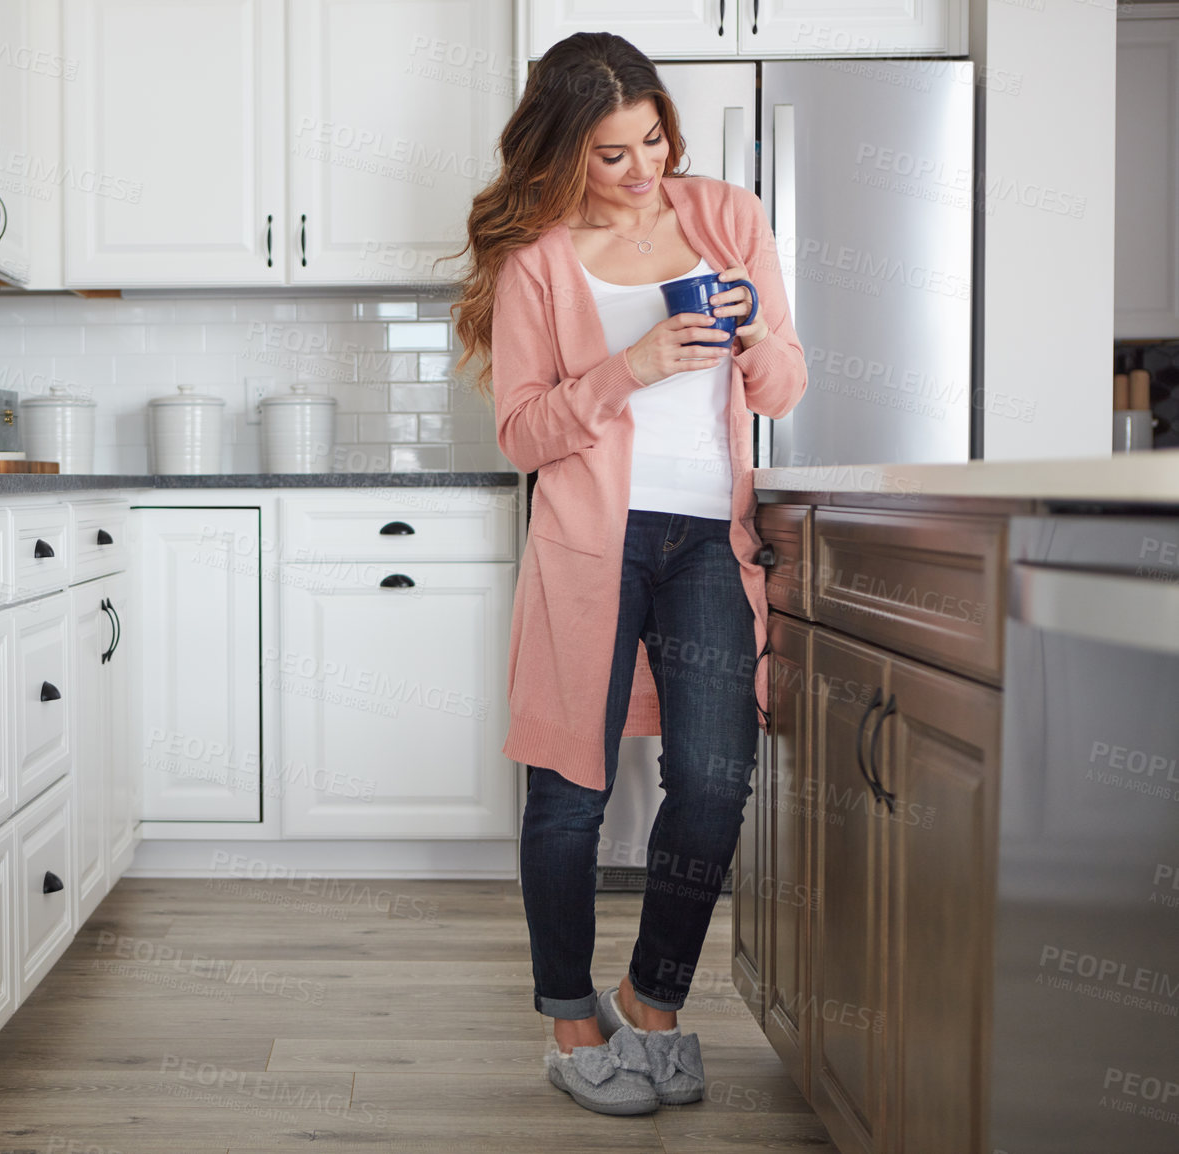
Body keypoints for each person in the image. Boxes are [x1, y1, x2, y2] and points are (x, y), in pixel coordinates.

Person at [449, 32, 807, 1116]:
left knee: (712, 781)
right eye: (612, 153)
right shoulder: (537, 261)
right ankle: (570, 1022)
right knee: (570, 791)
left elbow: (784, 386)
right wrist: (629, 367)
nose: (644, 167)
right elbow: (521, 431)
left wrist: (748, 337)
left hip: (707, 540)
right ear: (563, 155)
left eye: (653, 139)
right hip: (587, 548)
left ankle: (650, 1004)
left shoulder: (728, 220)